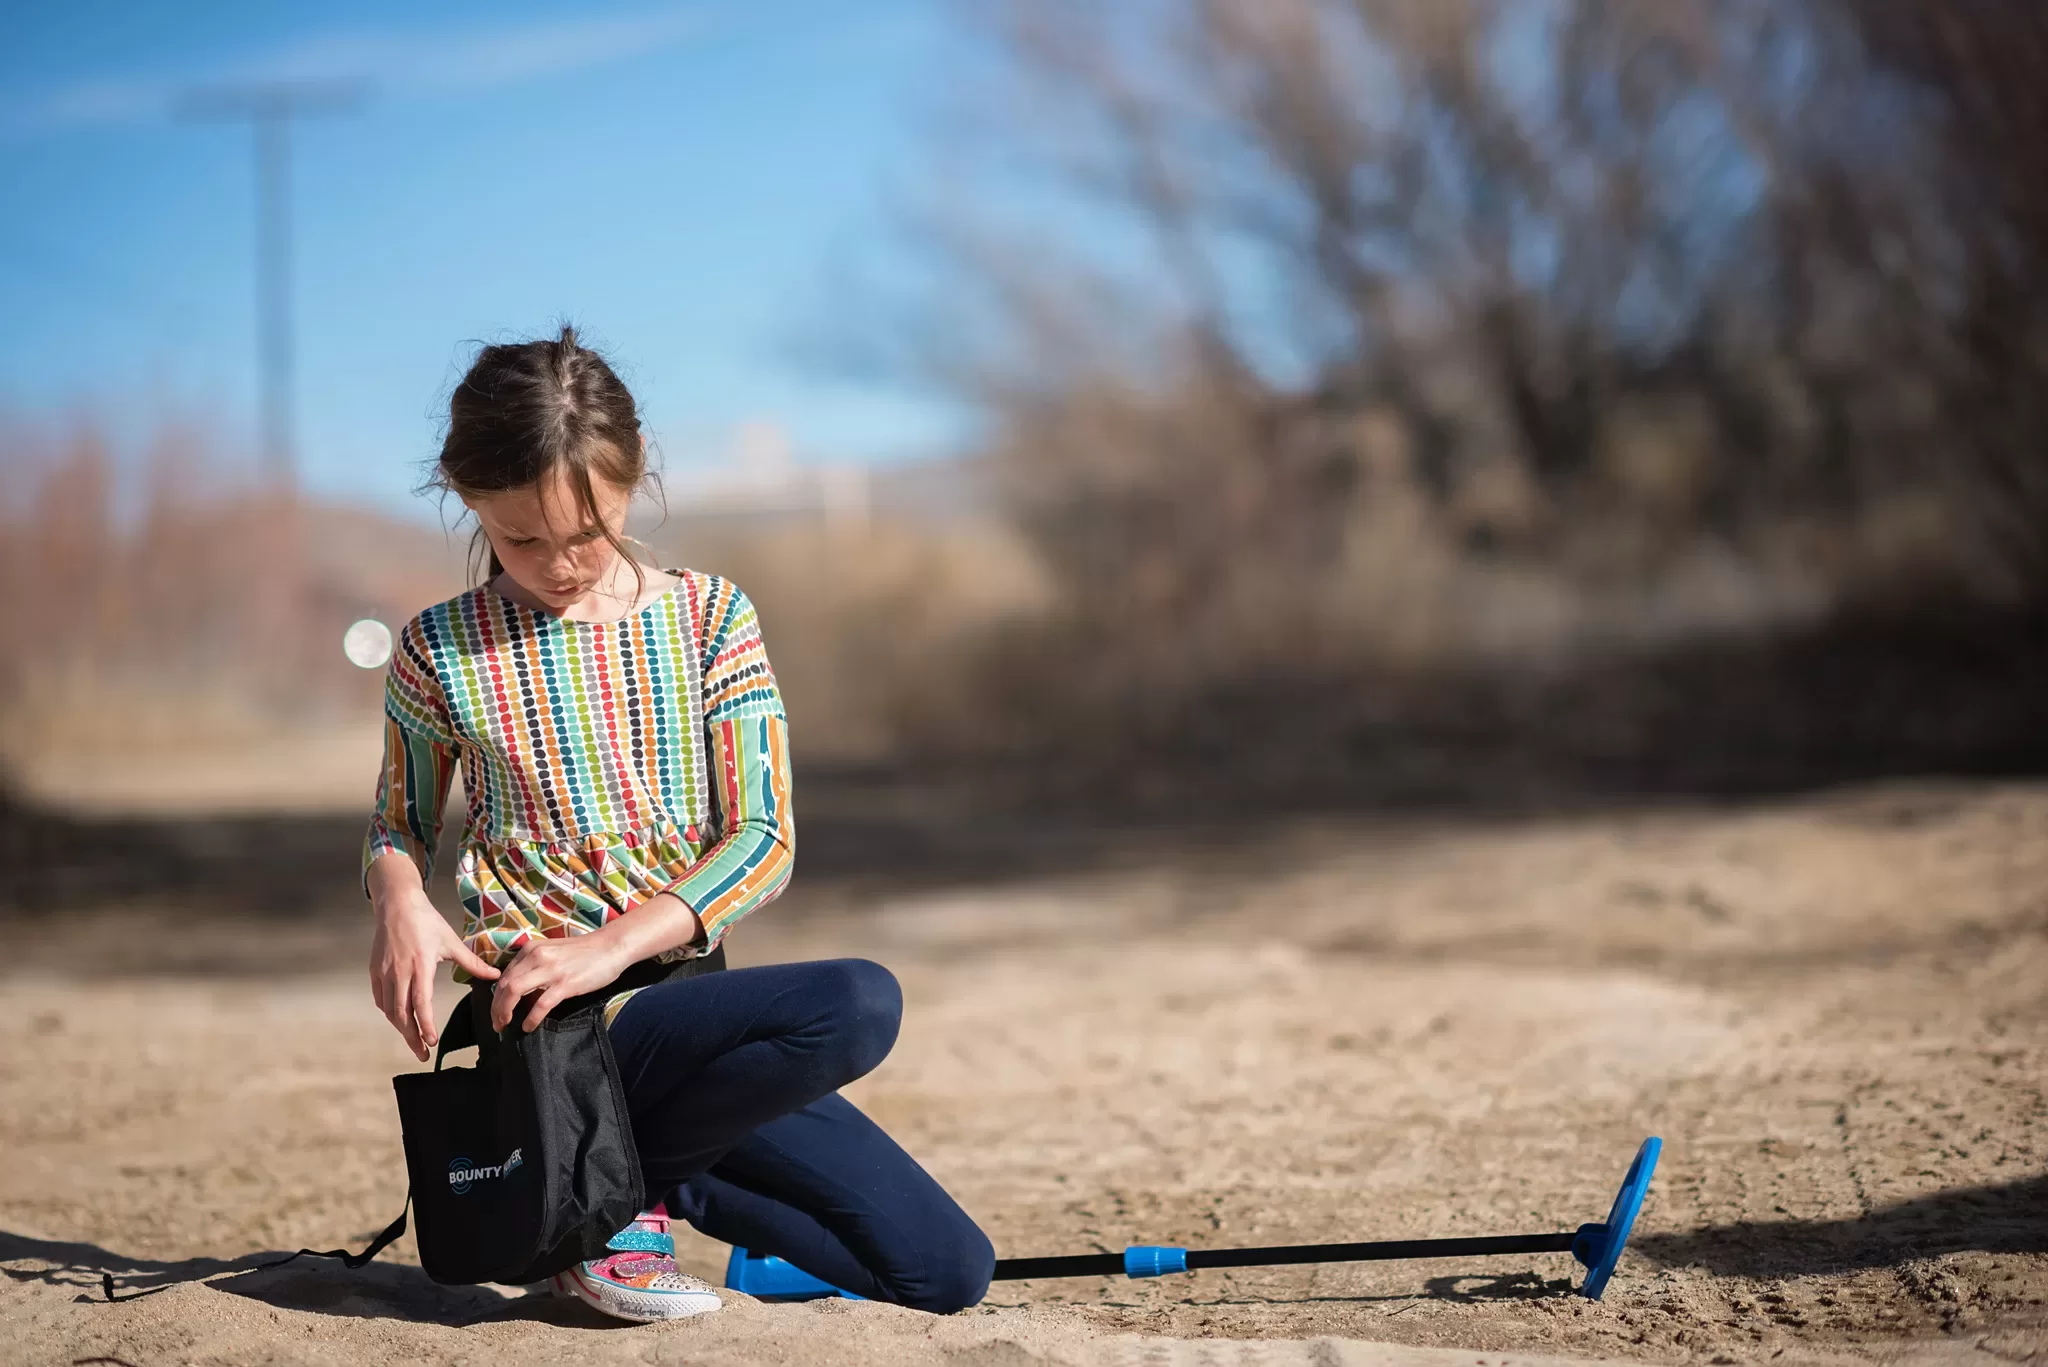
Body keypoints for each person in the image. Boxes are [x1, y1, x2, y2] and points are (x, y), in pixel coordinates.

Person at [361, 325, 994, 1323]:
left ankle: (630, 1175)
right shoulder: (438, 649)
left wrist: (615, 944)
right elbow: (396, 823)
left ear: (634, 475)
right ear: (464, 491)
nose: (561, 564)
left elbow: (764, 838)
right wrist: (400, 900)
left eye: (590, 531)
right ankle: (603, 1184)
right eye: (524, 538)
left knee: (948, 1270)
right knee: (855, 1001)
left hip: (681, 1020)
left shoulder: (709, 618)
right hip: (550, 1029)